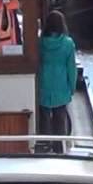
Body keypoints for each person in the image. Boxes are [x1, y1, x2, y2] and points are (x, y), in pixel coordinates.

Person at [38, 10, 78, 140]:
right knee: (60, 118)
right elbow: (71, 69)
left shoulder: (40, 43)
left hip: (43, 83)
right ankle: (59, 147)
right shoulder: (68, 43)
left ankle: (45, 145)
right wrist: (72, 88)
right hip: (61, 85)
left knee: (44, 117)